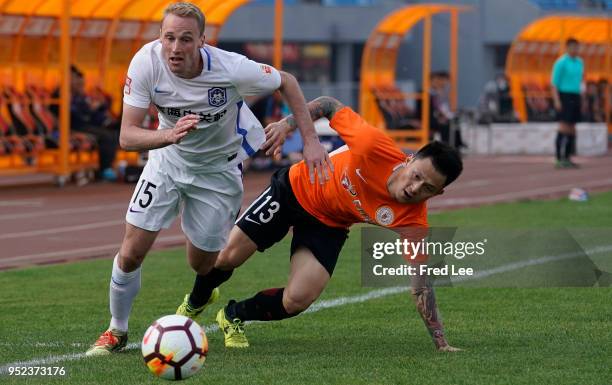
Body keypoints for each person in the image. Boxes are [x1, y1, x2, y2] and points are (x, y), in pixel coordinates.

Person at [85, 2, 331, 356]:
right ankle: (116, 331)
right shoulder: (145, 63)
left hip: (217, 171)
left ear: (202, 40)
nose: (175, 48)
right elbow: (127, 135)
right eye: (169, 37)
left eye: (185, 39)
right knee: (131, 251)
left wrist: (310, 141)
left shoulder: (231, 68)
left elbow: (287, 82)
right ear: (159, 37)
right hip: (166, 162)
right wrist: (167, 137)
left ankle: (204, 290)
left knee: (201, 264)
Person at [179, 95, 464, 352]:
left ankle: (233, 315)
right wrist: (287, 125)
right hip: (294, 190)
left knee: (298, 300)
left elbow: (421, 285)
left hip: (330, 224)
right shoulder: (373, 145)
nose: (415, 188)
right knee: (227, 256)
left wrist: (441, 342)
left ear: (438, 193)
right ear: (410, 159)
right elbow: (328, 105)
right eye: (416, 176)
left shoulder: (414, 222)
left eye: (427, 188)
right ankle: (195, 301)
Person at [52, 65, 119, 181]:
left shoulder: (78, 94)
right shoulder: (59, 94)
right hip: (72, 127)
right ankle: (104, 169)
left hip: (83, 124)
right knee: (106, 136)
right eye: (73, 78)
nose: (75, 81)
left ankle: (107, 168)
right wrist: (91, 109)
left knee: (113, 132)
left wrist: (101, 105)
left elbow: (88, 113)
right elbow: (76, 114)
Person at [551, 38, 584, 168]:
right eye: (573, 47)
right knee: (564, 126)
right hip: (564, 95)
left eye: (577, 47)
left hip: (575, 95)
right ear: (567, 48)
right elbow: (554, 84)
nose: (576, 50)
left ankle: (568, 157)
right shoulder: (561, 62)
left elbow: (581, 81)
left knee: (572, 127)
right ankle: (559, 157)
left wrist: (583, 98)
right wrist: (557, 100)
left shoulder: (580, 62)